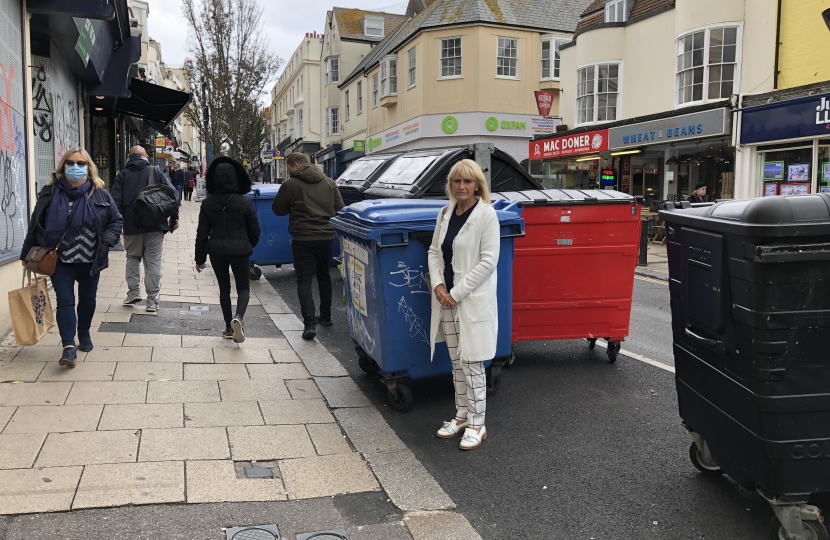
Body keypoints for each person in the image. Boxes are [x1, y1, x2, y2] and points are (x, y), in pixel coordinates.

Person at [20, 148, 123, 367]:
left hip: (90, 261)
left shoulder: (100, 193)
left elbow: (116, 220)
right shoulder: (50, 192)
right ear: (63, 166)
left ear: (89, 167)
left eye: (81, 163)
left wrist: (106, 242)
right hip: (59, 260)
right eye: (70, 162)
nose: (75, 167)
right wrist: (26, 253)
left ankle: (83, 333)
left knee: (88, 301)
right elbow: (35, 223)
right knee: (65, 302)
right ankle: (68, 346)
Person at [427, 159, 500, 451]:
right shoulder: (444, 213)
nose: (461, 187)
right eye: (456, 181)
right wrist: (438, 285)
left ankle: (477, 424)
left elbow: (488, 261)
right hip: (446, 300)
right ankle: (461, 415)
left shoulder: (486, 215)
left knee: (472, 363)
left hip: (468, 301)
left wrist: (455, 293)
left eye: (467, 181)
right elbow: (434, 252)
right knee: (457, 363)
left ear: (477, 185)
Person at [272, 153, 344, 340]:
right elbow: (340, 208)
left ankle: (309, 324)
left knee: (304, 280)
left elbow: (277, 209)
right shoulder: (329, 182)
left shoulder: (290, 184)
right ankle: (326, 317)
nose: (289, 171)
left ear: (295, 165)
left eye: (289, 167)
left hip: (302, 237)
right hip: (326, 236)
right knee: (324, 275)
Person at [195, 157, 260, 342]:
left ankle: (228, 328)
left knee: (224, 288)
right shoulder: (244, 202)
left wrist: (200, 259)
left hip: (217, 251)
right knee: (243, 287)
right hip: (240, 250)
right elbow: (255, 229)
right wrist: (251, 244)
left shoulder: (208, 203)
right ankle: (238, 318)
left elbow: (202, 234)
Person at [110, 146, 180, 313]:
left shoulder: (122, 176)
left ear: (129, 157)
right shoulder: (155, 171)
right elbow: (173, 195)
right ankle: (152, 301)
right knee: (153, 262)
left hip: (132, 227)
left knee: (132, 258)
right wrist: (174, 217)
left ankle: (133, 292)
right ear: (145, 156)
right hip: (156, 225)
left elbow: (114, 202)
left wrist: (118, 224)